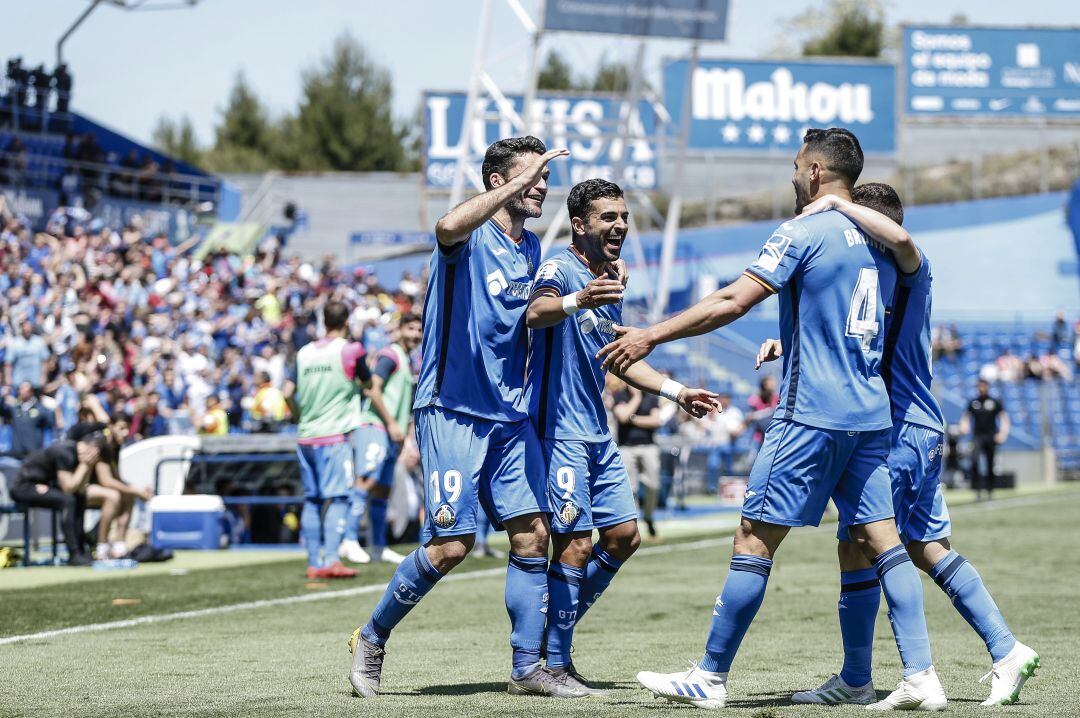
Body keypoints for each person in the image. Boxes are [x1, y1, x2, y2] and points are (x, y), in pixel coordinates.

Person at [601, 128, 944, 710]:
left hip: (810, 414)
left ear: (814, 171)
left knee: (753, 538)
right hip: (868, 415)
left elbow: (733, 301)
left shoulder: (801, 231)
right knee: (886, 544)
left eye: (794, 165)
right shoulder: (879, 244)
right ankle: (921, 675)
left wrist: (651, 334)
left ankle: (709, 676)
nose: (790, 175)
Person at [759, 183, 1038, 707]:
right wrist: (788, 342)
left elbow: (904, 243)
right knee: (890, 546)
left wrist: (840, 204)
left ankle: (971, 658)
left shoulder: (907, 268)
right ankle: (862, 676)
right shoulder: (878, 282)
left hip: (897, 429)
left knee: (888, 543)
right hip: (912, 428)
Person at [348, 137, 574, 699]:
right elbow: (446, 227)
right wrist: (515, 186)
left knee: (533, 534)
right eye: (530, 176)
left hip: (509, 417)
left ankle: (527, 669)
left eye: (545, 177)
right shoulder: (468, 241)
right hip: (451, 410)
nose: (541, 185)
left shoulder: (530, 251)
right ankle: (372, 637)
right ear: (499, 182)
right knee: (452, 546)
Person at [525, 178, 718, 696]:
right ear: (580, 224)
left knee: (623, 538)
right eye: (607, 217)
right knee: (573, 544)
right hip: (558, 430)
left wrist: (677, 391)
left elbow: (622, 359)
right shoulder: (559, 270)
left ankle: (549, 640)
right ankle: (554, 665)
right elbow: (535, 312)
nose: (619, 226)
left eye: (623, 216)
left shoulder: (607, 281)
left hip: (596, 432)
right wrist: (577, 298)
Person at [295, 300, 372, 580]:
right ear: (346, 322)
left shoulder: (303, 353)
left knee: (312, 501)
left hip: (305, 436)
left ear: (323, 321)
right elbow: (369, 383)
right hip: (334, 437)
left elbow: (291, 392)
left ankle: (314, 562)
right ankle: (331, 558)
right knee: (339, 498)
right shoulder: (350, 350)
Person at [340, 312, 422, 566]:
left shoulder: (406, 360)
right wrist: (390, 423)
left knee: (382, 491)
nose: (415, 335)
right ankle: (349, 540)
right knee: (366, 480)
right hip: (375, 426)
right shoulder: (390, 355)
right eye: (410, 329)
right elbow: (372, 388)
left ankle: (378, 546)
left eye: (419, 330)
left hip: (390, 432)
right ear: (399, 330)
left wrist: (404, 435)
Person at [8, 433, 108, 566]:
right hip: (24, 487)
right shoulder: (64, 452)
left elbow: (81, 489)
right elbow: (68, 488)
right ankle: (74, 554)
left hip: (44, 485)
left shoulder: (79, 455)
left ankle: (82, 549)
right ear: (93, 449)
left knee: (80, 497)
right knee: (68, 500)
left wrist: (87, 467)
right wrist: (85, 465)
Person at [610, 381, 663, 538]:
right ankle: (632, 523)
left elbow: (656, 421)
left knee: (653, 484)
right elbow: (621, 416)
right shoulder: (620, 395)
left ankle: (648, 515)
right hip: (626, 447)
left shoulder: (652, 397)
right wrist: (636, 399)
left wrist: (632, 418)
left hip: (648, 446)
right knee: (630, 488)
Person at [959, 379, 1010, 502]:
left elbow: (1004, 417)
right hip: (977, 437)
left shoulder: (994, 402)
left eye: (983, 386)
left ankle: (990, 491)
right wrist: (964, 425)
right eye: (979, 386)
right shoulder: (974, 402)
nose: (981, 388)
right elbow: (966, 417)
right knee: (974, 461)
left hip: (991, 436)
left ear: (987, 387)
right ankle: (977, 491)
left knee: (990, 463)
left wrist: (1003, 433)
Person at [1, 381, 55, 458]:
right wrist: (3, 396)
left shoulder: (40, 408)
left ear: (31, 392)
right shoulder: (15, 408)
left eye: (23, 389)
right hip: (16, 454)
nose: (20, 391)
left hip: (33, 454)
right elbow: (2, 411)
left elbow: (51, 424)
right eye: (20, 389)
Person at [4, 322, 50, 390]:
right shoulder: (14, 343)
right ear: (22, 328)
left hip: (35, 382)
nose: (27, 330)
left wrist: (44, 376)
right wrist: (8, 378)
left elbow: (45, 361)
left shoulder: (39, 341)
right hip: (19, 383)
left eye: (29, 327)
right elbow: (8, 363)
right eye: (25, 327)